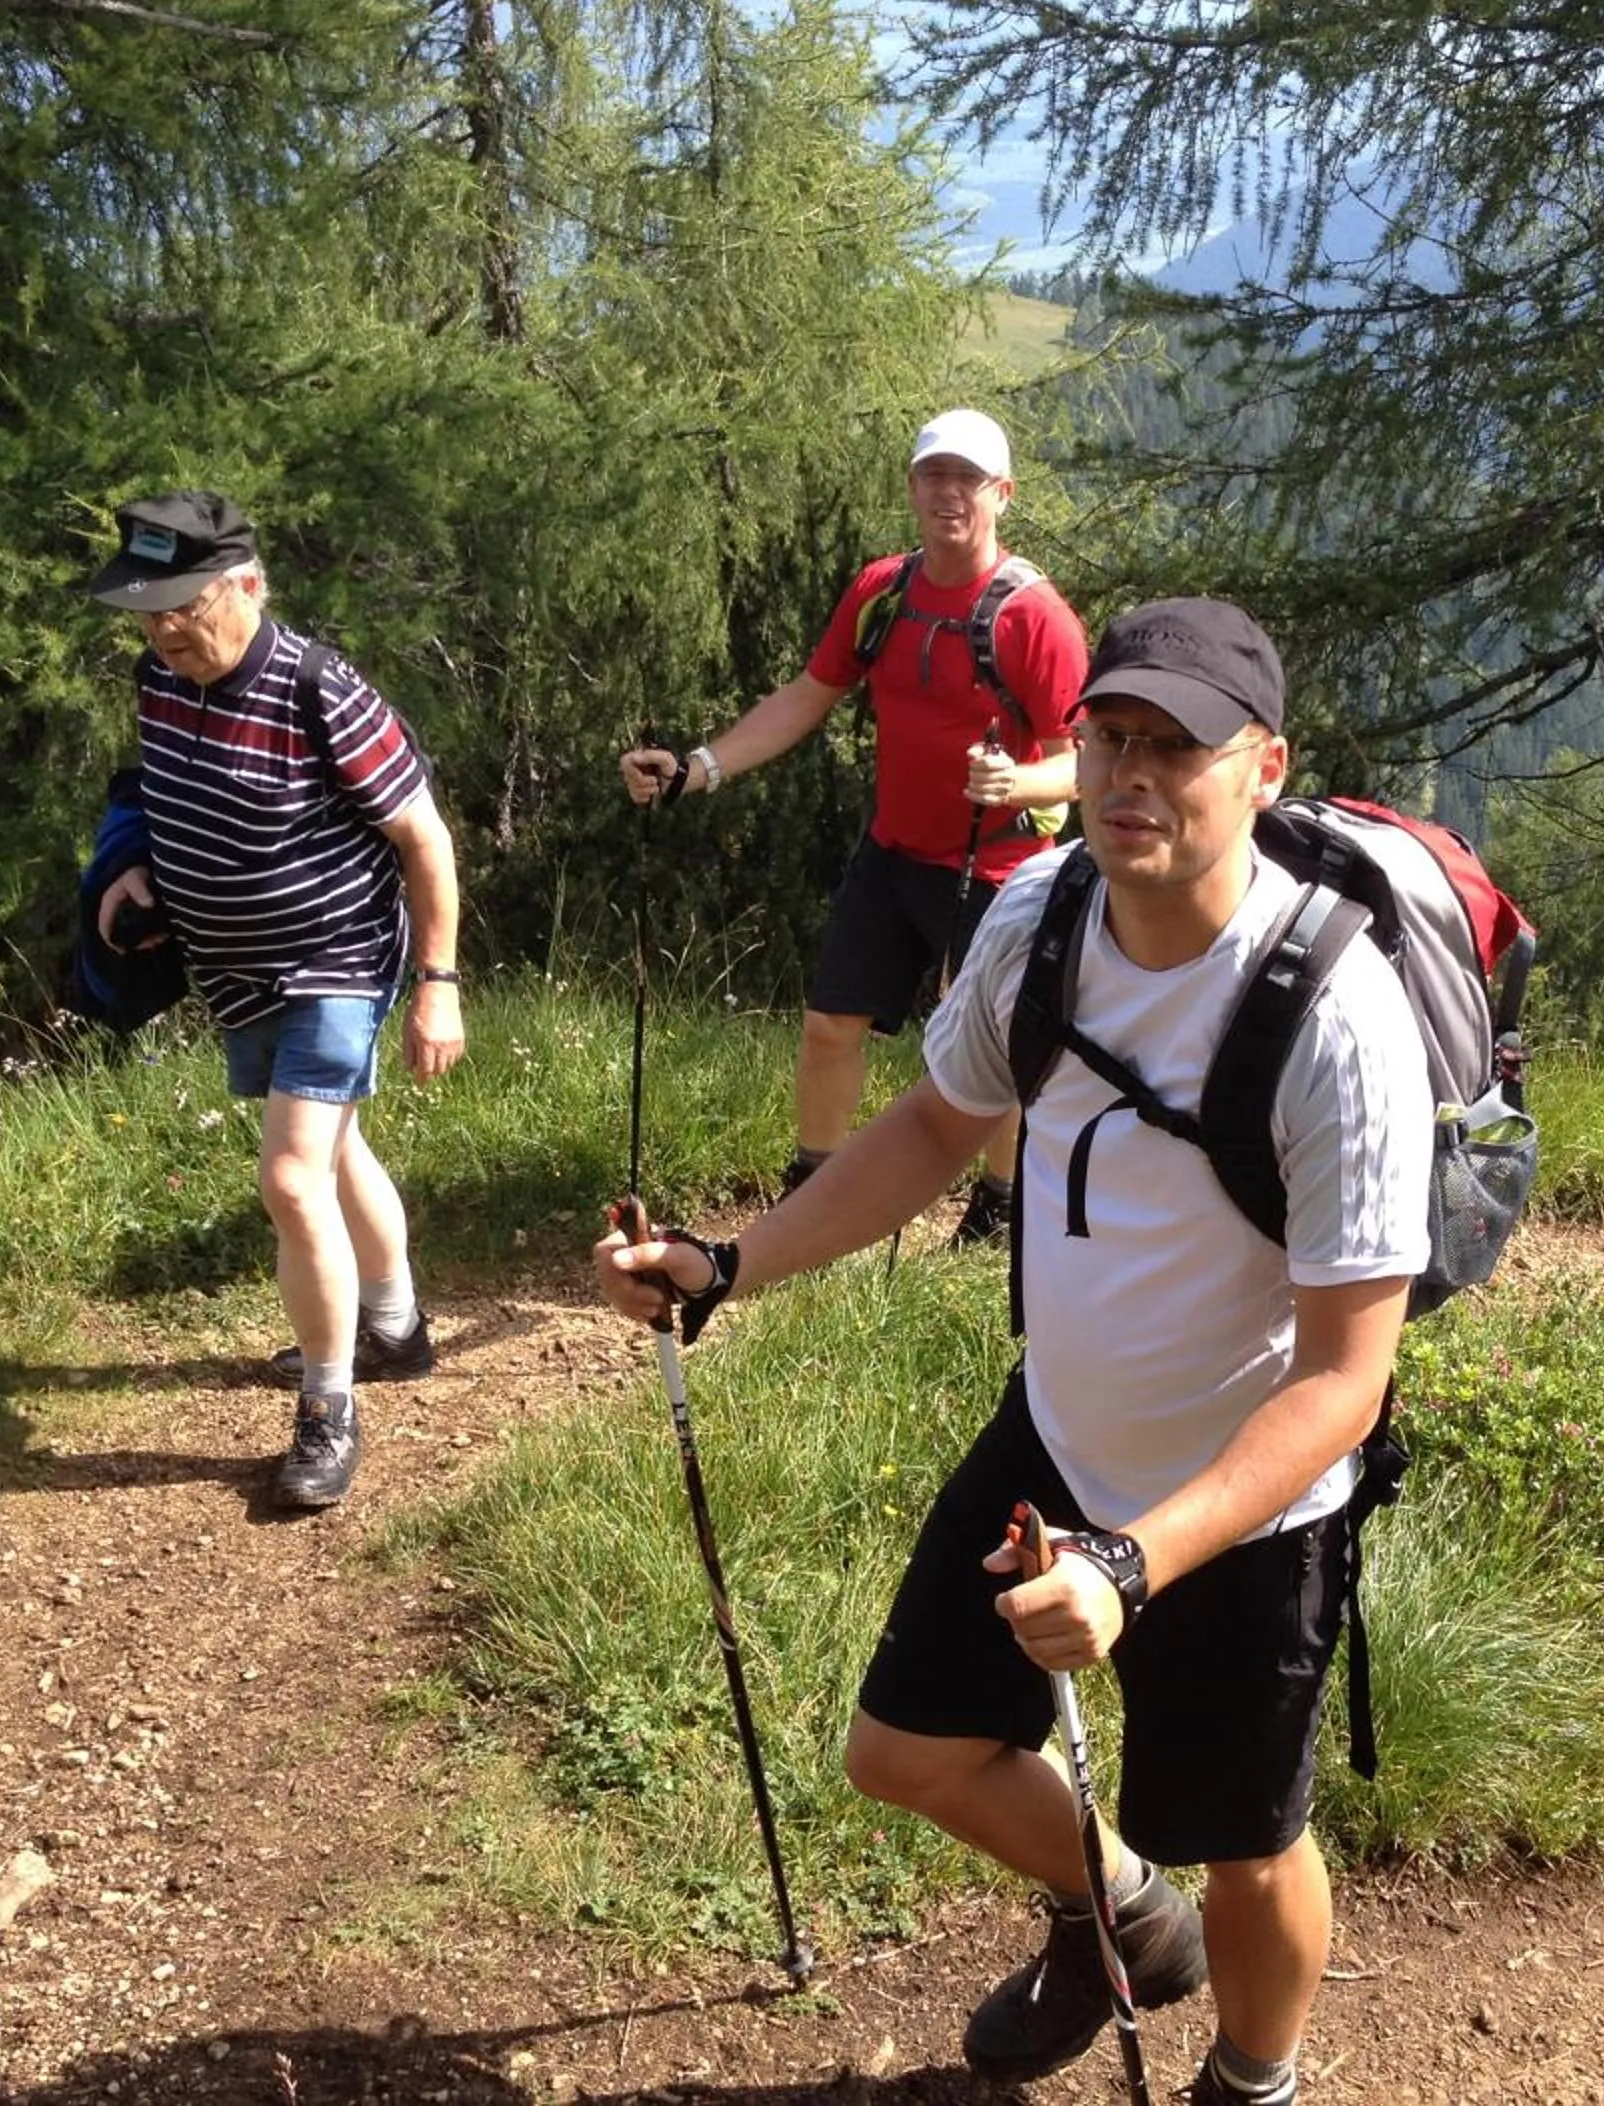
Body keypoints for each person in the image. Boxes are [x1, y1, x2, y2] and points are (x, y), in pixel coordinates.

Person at [596, 597, 1432, 2105]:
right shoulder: (1042, 912)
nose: (1131, 775)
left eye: (1178, 746)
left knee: (1250, 1846)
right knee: (902, 1748)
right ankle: (1123, 1910)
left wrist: (1131, 1564)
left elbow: (1343, 1380)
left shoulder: (1336, 1017)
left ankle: (1254, 2078)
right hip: (1056, 1439)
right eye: (1110, 735)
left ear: (1264, 768)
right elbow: (933, 1124)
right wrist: (727, 1265)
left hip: (1246, 1512)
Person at [619, 408, 1086, 1246]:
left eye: (968, 480)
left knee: (1000, 1050)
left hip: (999, 871)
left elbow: (1087, 761)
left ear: (1003, 495)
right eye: (933, 476)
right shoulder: (884, 591)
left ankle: (999, 1206)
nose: (948, 493)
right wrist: (699, 768)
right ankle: (816, 1195)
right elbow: (808, 695)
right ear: (912, 486)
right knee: (831, 1022)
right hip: (894, 852)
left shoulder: (1035, 619)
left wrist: (1018, 779)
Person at [86, 490, 466, 1512]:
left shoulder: (321, 691)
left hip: (337, 960)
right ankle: (395, 1326)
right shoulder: (157, 682)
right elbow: (164, 796)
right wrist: (141, 878)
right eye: (147, 609)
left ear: (248, 584)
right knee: (335, 1154)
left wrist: (438, 985)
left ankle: (327, 1408)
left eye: (184, 604)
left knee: (293, 1181)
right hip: (234, 969)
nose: (164, 628)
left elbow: (425, 842)